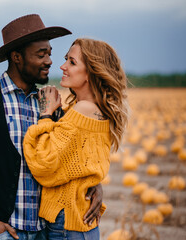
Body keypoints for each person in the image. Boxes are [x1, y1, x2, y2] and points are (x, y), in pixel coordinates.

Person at [0, 14, 104, 240]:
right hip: (2, 232)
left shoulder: (49, 103)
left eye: (50, 53)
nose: (49, 61)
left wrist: (94, 184)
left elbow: (65, 162)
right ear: (17, 57)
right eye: (41, 54)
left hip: (45, 231)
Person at [23, 38, 129, 239]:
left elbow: (43, 163)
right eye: (65, 59)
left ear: (91, 72)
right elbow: (81, 165)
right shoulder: (94, 110)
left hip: (66, 221)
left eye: (72, 62)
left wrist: (45, 116)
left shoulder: (83, 110)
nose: (62, 66)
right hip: (78, 220)